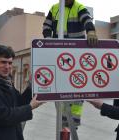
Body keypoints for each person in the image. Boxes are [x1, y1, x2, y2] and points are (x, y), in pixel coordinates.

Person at [42, 0, 98, 128]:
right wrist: (48, 39)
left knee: (78, 84)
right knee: (60, 86)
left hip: (76, 52)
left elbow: (87, 19)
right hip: (59, 53)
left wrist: (91, 31)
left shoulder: (79, 7)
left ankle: (74, 121)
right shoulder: (55, 8)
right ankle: (62, 119)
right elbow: (46, 25)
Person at [0, 44, 44, 140]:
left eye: (10, 63)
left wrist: (31, 86)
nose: (7, 67)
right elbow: (3, 116)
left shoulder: (6, 81)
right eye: (3, 62)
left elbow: (19, 102)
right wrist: (30, 107)